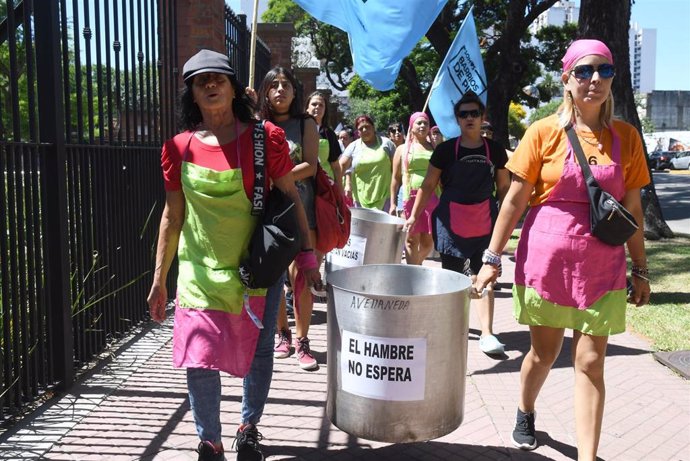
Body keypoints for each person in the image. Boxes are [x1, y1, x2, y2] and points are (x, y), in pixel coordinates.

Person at [474, 39, 651, 458]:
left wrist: (640, 268)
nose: (595, 80)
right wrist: (491, 258)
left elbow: (633, 210)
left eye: (604, 71)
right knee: (544, 353)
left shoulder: (626, 137)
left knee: (590, 362)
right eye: (585, 71)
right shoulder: (543, 131)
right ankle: (525, 408)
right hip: (547, 265)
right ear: (566, 77)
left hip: (602, 267)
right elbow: (514, 200)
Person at [146, 50, 320, 461]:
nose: (209, 84)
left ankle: (249, 428)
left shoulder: (265, 139)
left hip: (257, 268)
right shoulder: (177, 148)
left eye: (217, 78)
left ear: (231, 87)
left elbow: (291, 196)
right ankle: (210, 440)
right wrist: (158, 279)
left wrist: (308, 256)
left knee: (259, 352)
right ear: (191, 91)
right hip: (197, 272)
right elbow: (172, 216)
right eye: (200, 79)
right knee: (199, 356)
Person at [405, 91, 510, 355]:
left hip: (485, 223)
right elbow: (428, 185)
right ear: (457, 119)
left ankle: (487, 333)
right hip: (450, 223)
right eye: (464, 114)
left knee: (486, 278)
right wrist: (413, 217)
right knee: (453, 280)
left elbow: (505, 188)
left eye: (475, 113)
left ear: (482, 117)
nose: (470, 118)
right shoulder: (444, 151)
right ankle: (451, 331)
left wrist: (506, 222)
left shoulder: (495, 150)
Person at [257, 67, 322, 371]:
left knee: (301, 276)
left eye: (286, 85)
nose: (280, 90)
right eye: (274, 85)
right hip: (268, 210)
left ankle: (303, 339)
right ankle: (282, 333)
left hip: (301, 206)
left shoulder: (305, 123)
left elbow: (310, 165)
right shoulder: (258, 124)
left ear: (296, 92)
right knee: (275, 275)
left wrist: (279, 177)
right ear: (266, 91)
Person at [390, 112, 438, 265]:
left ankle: (415, 265)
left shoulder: (435, 149)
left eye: (425, 123)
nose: (423, 126)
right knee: (411, 240)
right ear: (412, 126)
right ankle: (414, 275)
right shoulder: (402, 149)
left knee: (428, 242)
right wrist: (392, 203)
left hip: (432, 197)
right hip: (409, 197)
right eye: (419, 123)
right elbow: (395, 178)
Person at [340, 115, 396, 210]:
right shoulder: (353, 147)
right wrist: (344, 185)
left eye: (367, 127)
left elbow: (396, 170)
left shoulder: (387, 144)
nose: (365, 130)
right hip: (361, 200)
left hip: (386, 198)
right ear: (358, 132)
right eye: (361, 128)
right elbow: (340, 167)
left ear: (373, 127)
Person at [305, 90, 343, 186]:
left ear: (325, 110)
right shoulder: (299, 130)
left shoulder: (329, 134)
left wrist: (340, 192)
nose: (317, 107)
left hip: (326, 186)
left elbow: (336, 167)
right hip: (304, 185)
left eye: (321, 105)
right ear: (307, 108)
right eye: (314, 104)